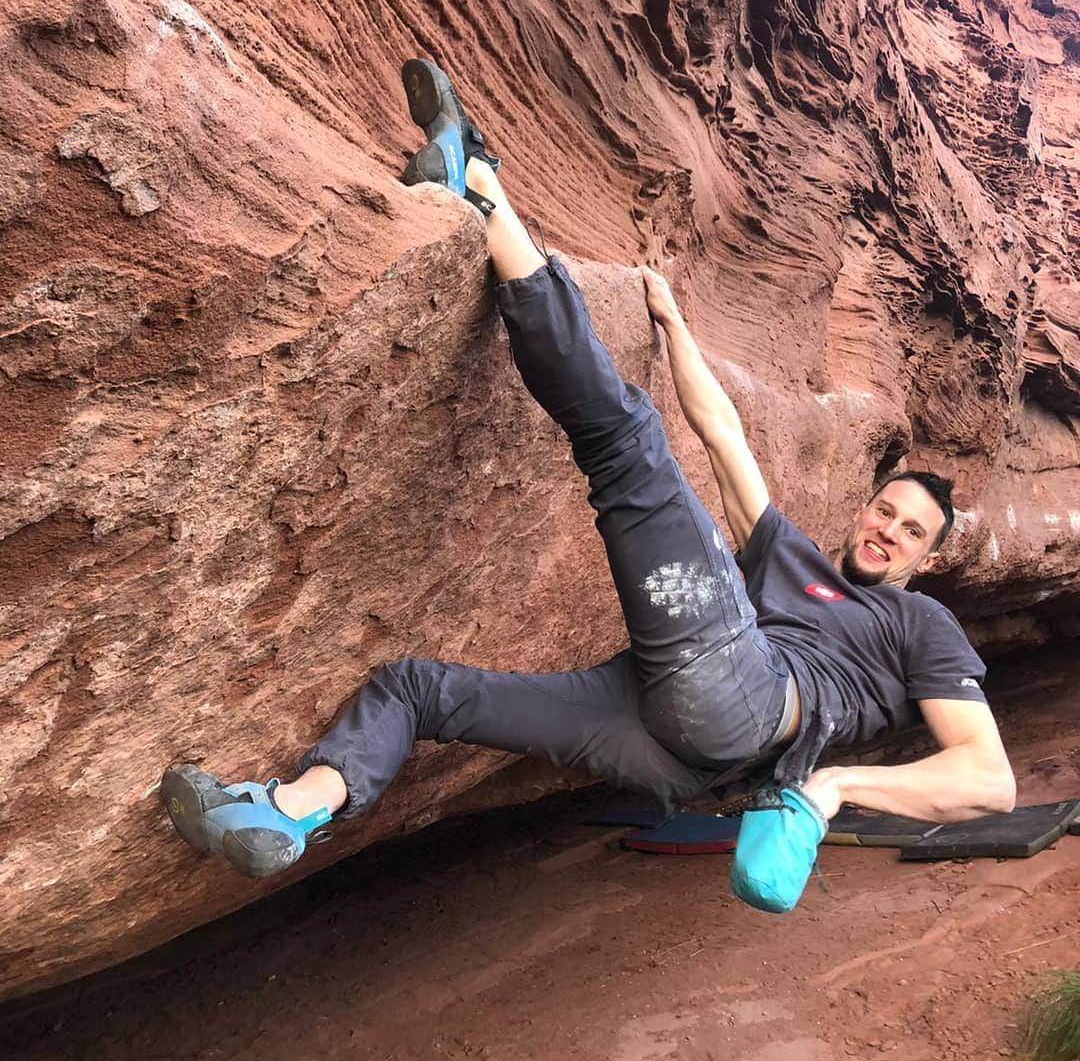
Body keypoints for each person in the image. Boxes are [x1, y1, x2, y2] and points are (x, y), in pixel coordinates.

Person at [161, 60, 1015, 912]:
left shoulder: (917, 624)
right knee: (416, 688)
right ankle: (286, 811)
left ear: (924, 562)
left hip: (743, 704)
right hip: (660, 733)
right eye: (887, 511)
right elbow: (724, 437)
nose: (889, 532)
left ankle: (479, 179)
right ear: (865, 507)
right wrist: (675, 325)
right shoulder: (791, 554)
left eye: (911, 534)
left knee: (623, 442)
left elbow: (988, 780)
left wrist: (828, 790)